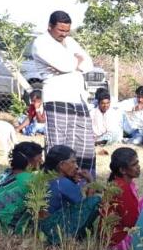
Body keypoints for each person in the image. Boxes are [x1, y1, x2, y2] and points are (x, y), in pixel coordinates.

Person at [31, 10, 96, 174]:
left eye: (67, 31)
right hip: (57, 98)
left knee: (84, 144)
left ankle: (82, 182)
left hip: (78, 98)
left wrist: (72, 63)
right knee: (59, 147)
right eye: (61, 30)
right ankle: (55, 183)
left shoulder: (70, 41)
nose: (64, 34)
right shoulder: (41, 43)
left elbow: (88, 63)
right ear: (50, 26)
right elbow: (66, 65)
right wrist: (74, 61)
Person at [40, 145, 102, 245]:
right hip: (52, 229)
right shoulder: (63, 183)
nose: (77, 166)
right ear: (61, 165)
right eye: (73, 162)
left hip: (41, 227)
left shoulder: (47, 178)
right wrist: (90, 181)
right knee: (96, 201)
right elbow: (85, 207)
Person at [0, 142, 44, 234]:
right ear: (28, 162)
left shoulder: (5, 174)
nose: (41, 161)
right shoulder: (31, 180)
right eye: (39, 158)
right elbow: (42, 211)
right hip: (9, 228)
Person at [101, 147, 143, 250]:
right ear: (122, 170)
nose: (138, 167)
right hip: (118, 241)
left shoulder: (119, 182)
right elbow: (131, 223)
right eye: (134, 165)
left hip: (110, 237)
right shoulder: (123, 188)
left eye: (137, 163)